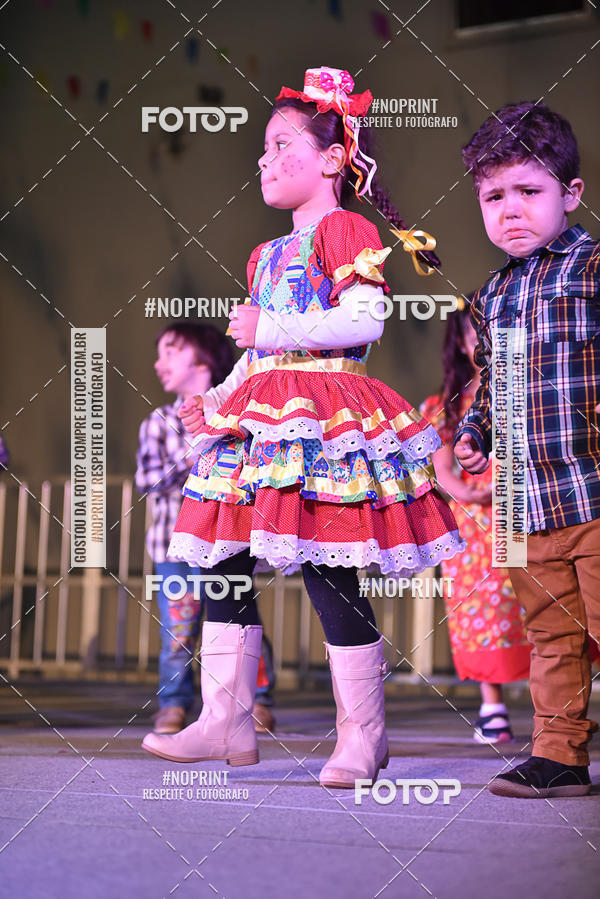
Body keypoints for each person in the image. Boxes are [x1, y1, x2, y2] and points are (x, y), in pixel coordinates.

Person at [142, 66, 465, 787]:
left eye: (282, 144)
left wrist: (272, 323)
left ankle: (363, 733)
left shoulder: (345, 228)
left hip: (324, 416)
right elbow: (260, 352)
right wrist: (219, 397)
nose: (264, 158)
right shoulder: (264, 255)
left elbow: (365, 317)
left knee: (328, 563)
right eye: (262, 147)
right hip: (261, 421)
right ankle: (222, 721)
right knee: (223, 556)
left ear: (331, 158)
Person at [455, 101, 600, 798]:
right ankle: (560, 755)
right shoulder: (490, 295)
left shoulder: (593, 267)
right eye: (493, 196)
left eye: (529, 191)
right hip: (524, 503)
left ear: (571, 194)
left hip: (593, 490)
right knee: (551, 637)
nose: (510, 209)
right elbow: (491, 390)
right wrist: (474, 434)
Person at [135, 322, 276, 735]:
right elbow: (149, 481)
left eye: (171, 352)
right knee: (178, 630)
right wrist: (194, 456)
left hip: (223, 540)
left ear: (202, 357)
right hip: (174, 547)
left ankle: (256, 700)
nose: (159, 363)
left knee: (237, 621)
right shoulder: (159, 422)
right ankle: (175, 702)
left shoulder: (233, 417)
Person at [420, 302, 531, 744]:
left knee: (538, 602)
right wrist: (467, 492)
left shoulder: (525, 392)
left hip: (521, 513)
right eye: (473, 335)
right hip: (471, 523)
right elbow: (443, 468)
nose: (482, 343)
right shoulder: (445, 405)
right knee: (479, 609)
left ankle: (559, 708)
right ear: (461, 344)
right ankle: (493, 705)